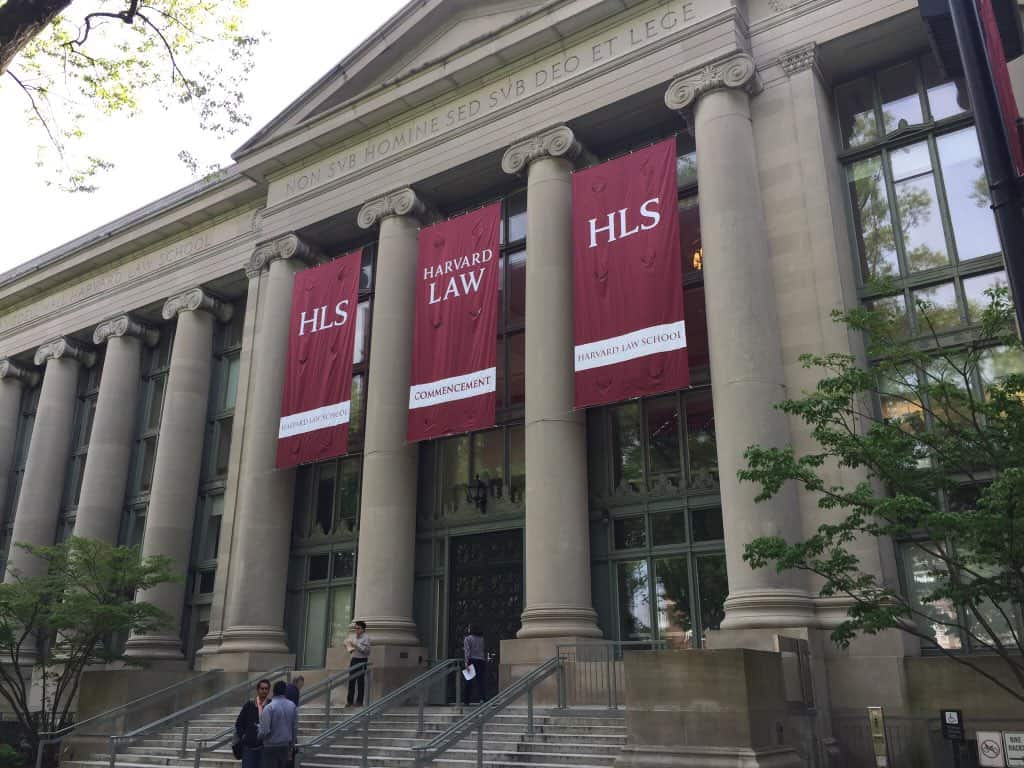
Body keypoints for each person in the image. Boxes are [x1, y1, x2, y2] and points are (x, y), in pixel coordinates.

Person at [258, 680, 298, 768]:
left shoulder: (269, 707)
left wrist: (259, 735)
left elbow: (265, 731)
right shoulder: (292, 706)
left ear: (273, 691)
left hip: (270, 746)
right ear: (285, 692)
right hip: (285, 745)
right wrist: (292, 745)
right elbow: (294, 728)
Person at [234, 679, 270, 768]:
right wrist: (244, 736)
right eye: (262, 688)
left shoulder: (271, 705)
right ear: (258, 690)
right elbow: (239, 723)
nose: (264, 691)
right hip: (248, 747)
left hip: (264, 747)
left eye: (266, 689)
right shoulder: (249, 705)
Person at [345, 620, 371, 706]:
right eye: (355, 628)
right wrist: (348, 645)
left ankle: (359, 701)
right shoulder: (353, 637)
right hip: (354, 659)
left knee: (360, 681)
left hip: (362, 660)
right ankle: (349, 701)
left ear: (363, 629)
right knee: (351, 680)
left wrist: (356, 645)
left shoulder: (366, 638)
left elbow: (366, 651)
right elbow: (348, 644)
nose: (356, 630)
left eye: (358, 628)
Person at [463, 625, 487, 704]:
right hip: (481, 660)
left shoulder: (467, 638)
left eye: (469, 627)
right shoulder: (481, 639)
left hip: (472, 660)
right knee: (480, 680)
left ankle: (467, 700)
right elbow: (482, 649)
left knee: (469, 680)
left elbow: (467, 651)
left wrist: (466, 662)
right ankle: (482, 698)